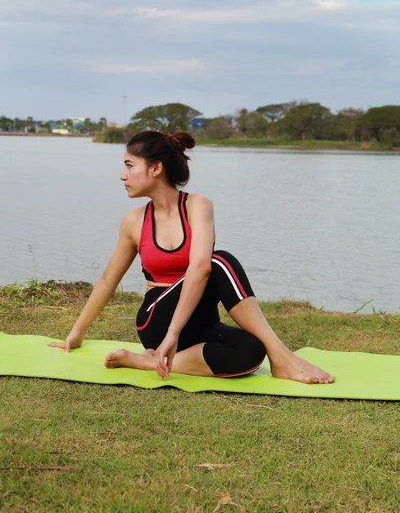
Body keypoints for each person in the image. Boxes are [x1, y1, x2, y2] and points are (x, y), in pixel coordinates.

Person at [49, 131, 335, 384]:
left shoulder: (198, 206)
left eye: (129, 166)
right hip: (158, 322)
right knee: (219, 261)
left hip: (199, 324)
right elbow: (108, 279)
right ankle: (283, 358)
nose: (122, 175)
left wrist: (178, 334)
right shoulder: (134, 222)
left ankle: (147, 362)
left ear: (156, 168)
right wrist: (77, 331)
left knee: (251, 350)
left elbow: (199, 269)